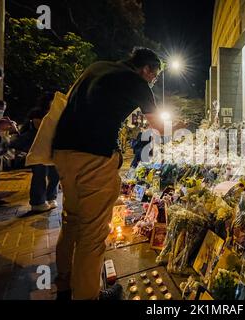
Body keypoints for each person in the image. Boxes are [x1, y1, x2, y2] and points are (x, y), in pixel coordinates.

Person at [52, 47, 181, 300]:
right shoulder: (137, 82)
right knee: (92, 234)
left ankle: (64, 287)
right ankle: (87, 295)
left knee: (71, 222)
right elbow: (160, 127)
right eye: (153, 77)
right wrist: (179, 126)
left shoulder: (97, 67)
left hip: (63, 153)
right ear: (146, 69)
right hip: (94, 157)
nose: (152, 82)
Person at [10, 93, 60, 212]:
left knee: (55, 175)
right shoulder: (37, 113)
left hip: (54, 149)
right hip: (38, 148)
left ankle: (51, 197)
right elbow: (42, 129)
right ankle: (38, 202)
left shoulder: (58, 114)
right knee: (39, 174)